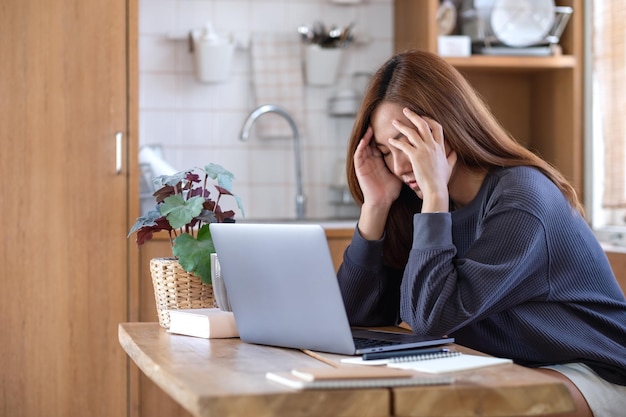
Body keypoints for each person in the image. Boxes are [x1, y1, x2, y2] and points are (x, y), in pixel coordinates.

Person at [337, 49, 626, 417]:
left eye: (406, 144)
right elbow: (352, 318)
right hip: (506, 364)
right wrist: (375, 207)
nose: (398, 165)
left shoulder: (520, 197)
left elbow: (431, 322)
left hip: (593, 370)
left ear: (448, 124)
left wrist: (436, 198)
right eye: (384, 151)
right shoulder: (416, 204)